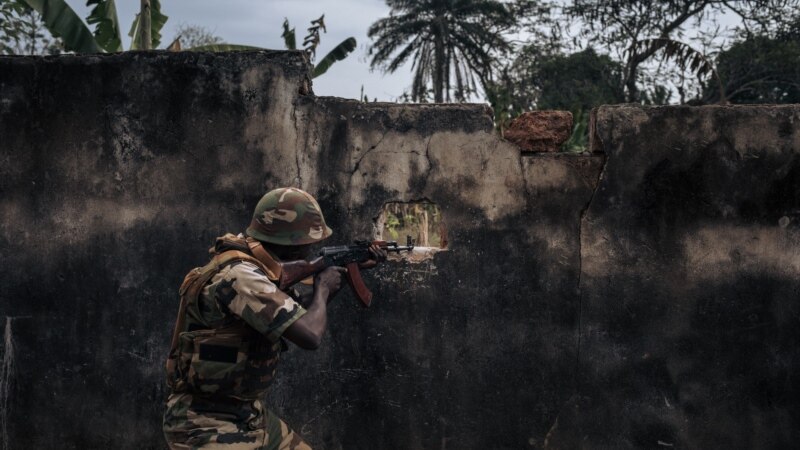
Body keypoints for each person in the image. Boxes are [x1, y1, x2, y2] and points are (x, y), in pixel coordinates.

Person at [162, 187, 386, 449]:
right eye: (307, 245)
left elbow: (288, 317)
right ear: (290, 244)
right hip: (205, 423)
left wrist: (347, 273)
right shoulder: (241, 277)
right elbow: (309, 334)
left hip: (249, 415)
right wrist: (322, 289)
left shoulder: (254, 267)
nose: (310, 250)